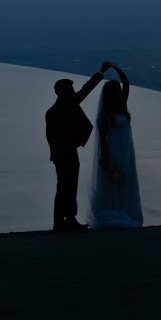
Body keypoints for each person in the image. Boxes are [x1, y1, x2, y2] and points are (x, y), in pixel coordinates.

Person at [45, 61, 112, 232]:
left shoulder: (54, 111)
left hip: (62, 154)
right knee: (68, 186)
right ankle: (66, 219)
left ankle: (62, 220)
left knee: (64, 186)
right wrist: (100, 73)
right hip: (66, 153)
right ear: (64, 92)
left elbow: (50, 138)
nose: (73, 92)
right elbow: (85, 91)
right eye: (70, 90)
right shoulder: (65, 106)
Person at [87, 62, 143, 229]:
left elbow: (126, 84)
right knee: (114, 183)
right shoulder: (106, 116)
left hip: (126, 151)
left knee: (126, 182)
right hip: (115, 152)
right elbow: (103, 141)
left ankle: (124, 210)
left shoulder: (121, 107)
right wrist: (106, 161)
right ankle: (117, 210)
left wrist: (116, 68)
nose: (120, 92)